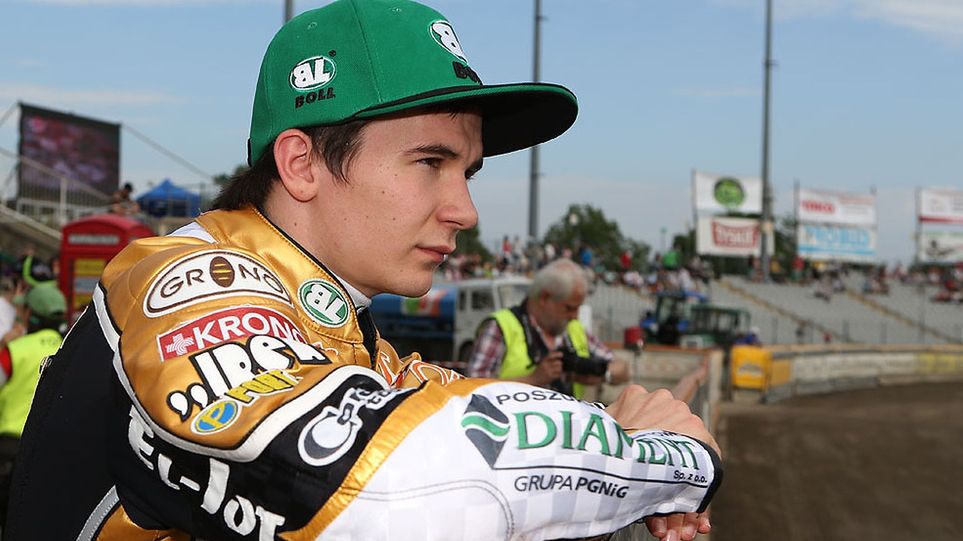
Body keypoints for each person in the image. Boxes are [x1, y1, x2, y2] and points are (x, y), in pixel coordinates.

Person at [8, 2, 721, 540]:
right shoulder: (184, 281)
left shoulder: (348, 336)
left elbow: (471, 425)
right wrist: (669, 462)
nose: (465, 210)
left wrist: (616, 450)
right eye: (430, 161)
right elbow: (390, 489)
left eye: (467, 171)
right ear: (301, 163)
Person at [466, 259, 629, 400]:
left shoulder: (573, 329)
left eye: (578, 308)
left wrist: (603, 374)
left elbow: (623, 369)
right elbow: (472, 388)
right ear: (544, 298)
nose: (575, 316)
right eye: (569, 308)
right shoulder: (501, 326)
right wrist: (532, 379)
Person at [0, 284, 66, 527]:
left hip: (9, 448)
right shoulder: (71, 351)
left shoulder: (14, 350)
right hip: (52, 449)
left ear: (29, 313)